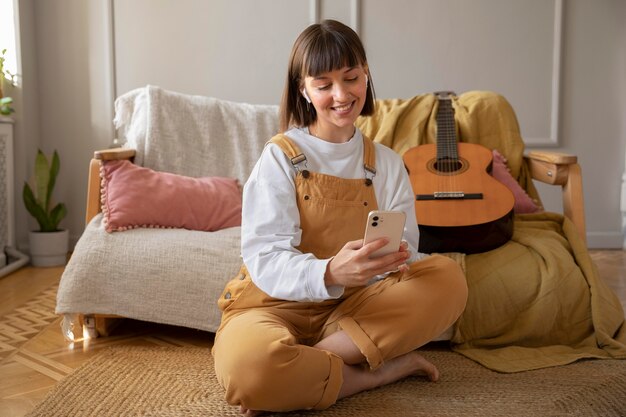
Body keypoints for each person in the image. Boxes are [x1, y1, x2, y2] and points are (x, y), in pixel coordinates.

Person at [212, 19, 468, 416]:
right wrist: (331, 271)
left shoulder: (387, 163)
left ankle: (299, 371)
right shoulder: (280, 157)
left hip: (352, 310)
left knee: (448, 279)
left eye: (351, 78)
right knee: (250, 369)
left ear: (366, 74)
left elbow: (407, 252)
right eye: (324, 84)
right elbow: (264, 256)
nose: (341, 94)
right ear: (303, 89)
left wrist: (388, 263)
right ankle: (374, 374)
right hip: (270, 306)